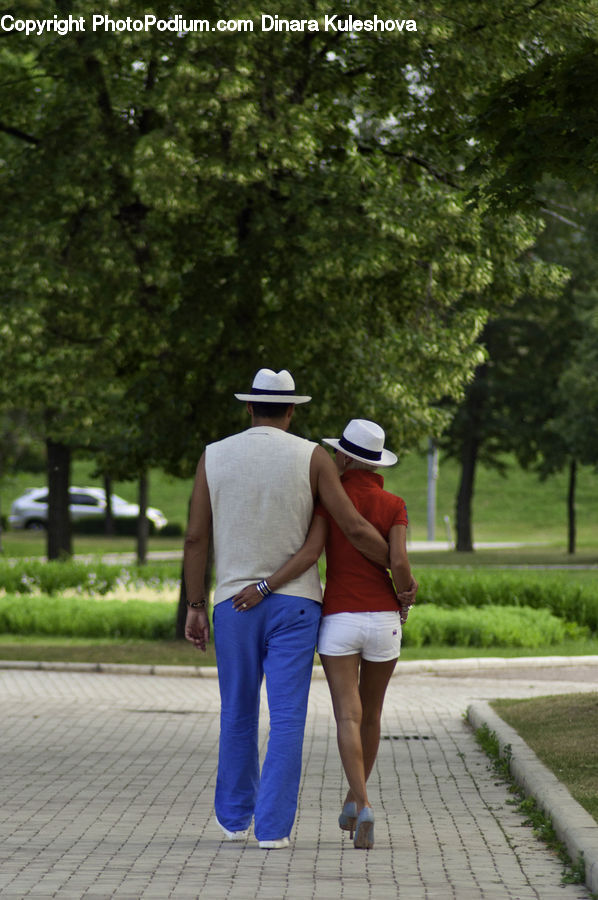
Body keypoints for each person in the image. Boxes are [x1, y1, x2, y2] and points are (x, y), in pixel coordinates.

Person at [184, 370, 399, 850]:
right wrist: (399, 570)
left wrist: (196, 604)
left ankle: (234, 819)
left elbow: (196, 537)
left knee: (237, 712)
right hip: (297, 605)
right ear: (291, 411)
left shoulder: (213, 456)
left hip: (234, 604)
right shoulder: (313, 456)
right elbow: (354, 527)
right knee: (286, 717)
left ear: (249, 408)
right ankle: (274, 829)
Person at [232, 418, 416, 850]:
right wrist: (405, 593)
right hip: (384, 621)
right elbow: (401, 563)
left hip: (339, 621)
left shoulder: (327, 501)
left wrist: (264, 587)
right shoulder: (394, 504)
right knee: (372, 715)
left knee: (347, 717)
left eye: (338, 453)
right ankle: (354, 801)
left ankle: (364, 802)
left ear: (347, 457)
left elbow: (311, 553)